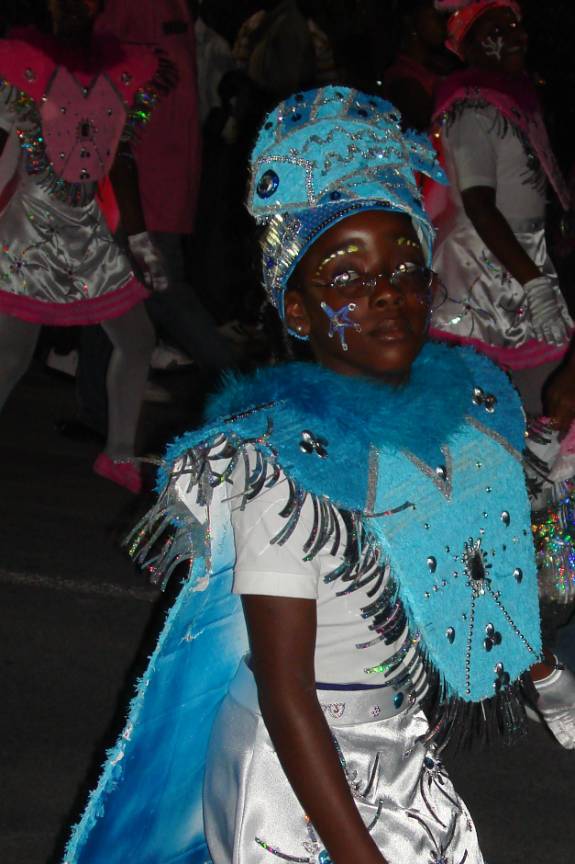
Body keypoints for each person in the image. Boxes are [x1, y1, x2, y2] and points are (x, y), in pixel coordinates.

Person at [62, 86, 546, 864]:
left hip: (399, 745)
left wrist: (542, 672)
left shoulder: (458, 423)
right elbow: (287, 693)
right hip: (294, 777)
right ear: (296, 311)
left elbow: (476, 560)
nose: (384, 291)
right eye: (345, 278)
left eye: (404, 267)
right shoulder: (281, 466)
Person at [429, 0, 575, 746]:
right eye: (493, 28)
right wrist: (534, 282)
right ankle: (492, 606)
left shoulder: (518, 99)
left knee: (551, 435)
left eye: (516, 24)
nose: (512, 37)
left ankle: (542, 588)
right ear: (464, 44)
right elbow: (480, 206)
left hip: (526, 268)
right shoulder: (470, 106)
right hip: (486, 283)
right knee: (487, 441)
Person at [0, 0, 171, 492]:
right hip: (30, 232)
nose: (75, 7)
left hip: (88, 231)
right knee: (11, 355)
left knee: (137, 339)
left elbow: (122, 159)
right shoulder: (21, 65)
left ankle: (119, 454)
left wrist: (140, 241)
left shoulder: (123, 72)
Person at [384, 0, 453, 132]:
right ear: (411, 22)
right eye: (433, 15)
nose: (442, 23)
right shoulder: (403, 80)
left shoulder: (436, 67)